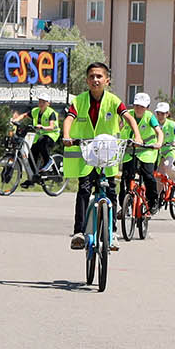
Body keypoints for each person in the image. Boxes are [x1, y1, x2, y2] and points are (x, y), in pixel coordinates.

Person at [61, 62, 135, 249]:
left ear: (107, 80)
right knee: (84, 190)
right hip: (86, 155)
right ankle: (79, 231)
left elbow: (128, 117)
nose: (95, 80)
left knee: (111, 192)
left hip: (107, 156)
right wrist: (67, 136)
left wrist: (138, 136)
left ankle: (113, 233)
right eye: (92, 76)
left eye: (99, 76)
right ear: (87, 80)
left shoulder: (113, 100)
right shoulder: (79, 101)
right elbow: (69, 118)